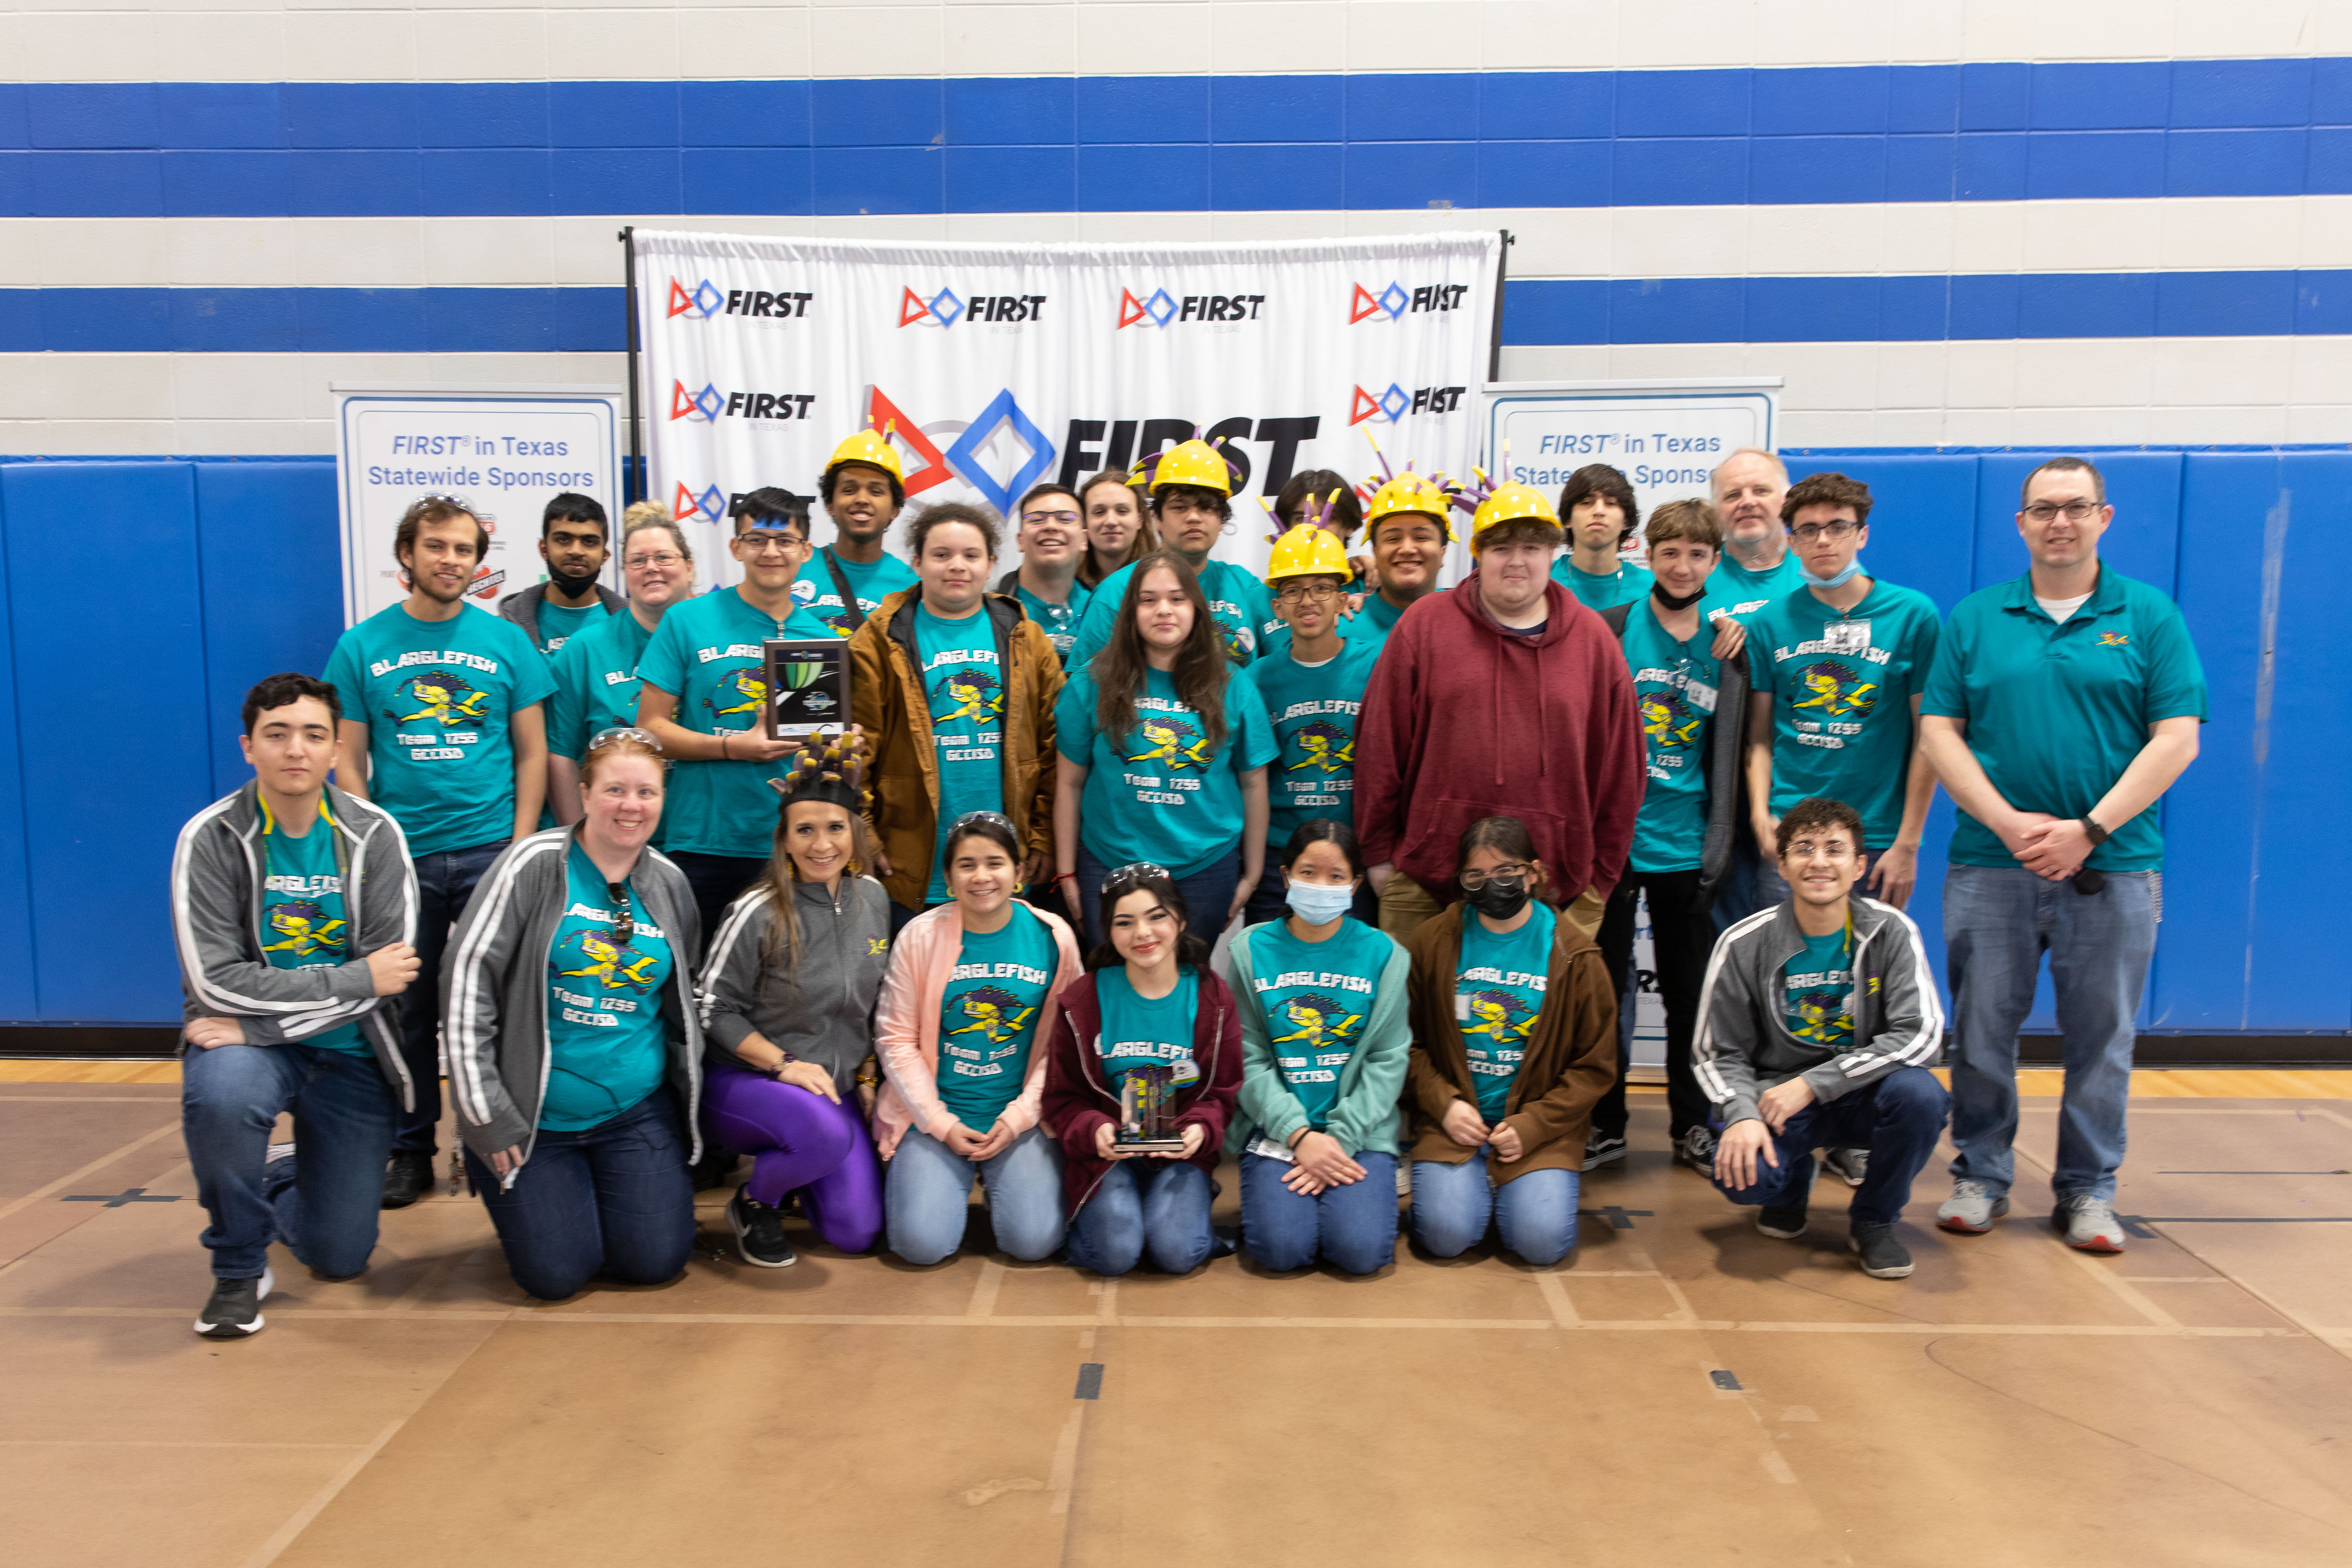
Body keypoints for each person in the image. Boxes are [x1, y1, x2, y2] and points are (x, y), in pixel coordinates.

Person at [1921, 456, 2205, 1254]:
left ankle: (2087, 1190)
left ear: (2103, 517)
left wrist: (2090, 827)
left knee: (2101, 1039)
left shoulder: (2147, 616)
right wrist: (2009, 822)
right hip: (1989, 863)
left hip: (2111, 868)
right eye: (2042, 509)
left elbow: (2176, 736)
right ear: (2020, 523)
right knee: (1978, 1032)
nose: (2059, 522)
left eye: (2075, 507)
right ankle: (1980, 1175)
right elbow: (1939, 730)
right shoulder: (1977, 617)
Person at [173, 673, 422, 1338]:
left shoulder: (377, 834)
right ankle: (237, 1266)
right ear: (247, 746)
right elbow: (215, 979)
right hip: (252, 1053)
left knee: (341, 1256)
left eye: (313, 735)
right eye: (276, 735)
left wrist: (263, 1015)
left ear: (336, 749)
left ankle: (281, 1176)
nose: (295, 750)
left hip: (347, 1054)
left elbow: (389, 976)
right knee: (222, 1094)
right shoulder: (210, 837)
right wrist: (352, 979)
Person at [324, 494, 554, 1208]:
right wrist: (375, 847)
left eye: (463, 549)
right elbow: (350, 760)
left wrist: (519, 846)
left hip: (491, 849)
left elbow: (532, 752)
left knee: (504, 1002)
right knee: (408, 1007)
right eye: (436, 547)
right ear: (407, 555)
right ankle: (412, 1145)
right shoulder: (360, 646)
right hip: (406, 858)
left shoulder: (507, 640)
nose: (450, 560)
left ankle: (505, 1134)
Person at [441, 730, 703, 1302]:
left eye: (645, 792)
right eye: (614, 789)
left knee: (656, 1261)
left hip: (632, 1113)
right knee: (555, 1277)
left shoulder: (669, 884)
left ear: (662, 799)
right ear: (584, 793)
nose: (629, 806)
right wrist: (485, 1113)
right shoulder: (531, 866)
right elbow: (467, 980)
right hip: (533, 1119)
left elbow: (681, 1003)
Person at [1356, 479, 1643, 944]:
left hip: (1557, 892)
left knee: (1541, 1020)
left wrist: (1600, 880)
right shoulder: (1423, 627)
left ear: (1552, 554)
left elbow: (1622, 773)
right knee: (1415, 1017)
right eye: (1501, 548)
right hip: (1426, 884)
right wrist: (1378, 857)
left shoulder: (1594, 643)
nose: (1515, 561)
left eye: (1531, 547)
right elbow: (1379, 749)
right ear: (1478, 556)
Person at [1694, 796, 1948, 1280]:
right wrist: (1743, 1116)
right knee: (1743, 1180)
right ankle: (1788, 1184)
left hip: (1861, 1093)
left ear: (1858, 867)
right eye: (1803, 849)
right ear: (1782, 865)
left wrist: (1814, 1084)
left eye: (1834, 850)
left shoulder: (1890, 931)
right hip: (1776, 1098)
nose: (1818, 862)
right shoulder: (1742, 942)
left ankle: (1874, 1219)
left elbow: (1920, 1035)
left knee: (1921, 1096)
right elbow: (1715, 1054)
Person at [1586, 499, 1751, 1175]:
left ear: (1715, 561)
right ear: (1644, 555)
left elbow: (1738, 744)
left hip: (1690, 847)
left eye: (1697, 554)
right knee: (1605, 992)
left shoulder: (1729, 643)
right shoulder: (1612, 630)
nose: (1682, 566)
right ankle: (1605, 1123)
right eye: (1669, 552)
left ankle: (1693, 1122)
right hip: (1619, 845)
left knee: (1690, 995)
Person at [696, 734, 894, 1267]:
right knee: (822, 1134)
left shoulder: (873, 901)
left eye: (834, 828)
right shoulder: (756, 910)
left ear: (854, 833)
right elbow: (711, 1007)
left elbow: (879, 1008)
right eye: (804, 830)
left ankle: (796, 1163)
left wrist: (871, 1077)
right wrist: (782, 1064)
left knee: (856, 1232)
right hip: (749, 1083)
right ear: (784, 838)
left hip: (835, 1090)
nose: (821, 844)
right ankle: (757, 1200)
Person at [1401, 816, 1615, 1266]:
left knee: (1540, 1244)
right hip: (1454, 1123)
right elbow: (1406, 1044)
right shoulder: (1429, 942)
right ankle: (1478, 1184)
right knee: (1445, 1238)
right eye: (1474, 877)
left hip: (1539, 1130)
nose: (1491, 886)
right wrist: (1444, 1104)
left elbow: (1594, 1067)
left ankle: (1507, 1184)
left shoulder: (1575, 955)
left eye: (1505, 873)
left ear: (1533, 873)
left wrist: (1533, 1125)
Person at [875, 812, 1085, 1266]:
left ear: (1018, 871)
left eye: (995, 862)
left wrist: (1017, 1118)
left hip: (1018, 1117)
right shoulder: (918, 936)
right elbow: (894, 1039)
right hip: (936, 1114)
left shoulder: (1054, 937)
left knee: (1033, 1243)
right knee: (920, 1246)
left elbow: (1065, 1046)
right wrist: (939, 1123)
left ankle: (1000, 1179)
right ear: (948, 877)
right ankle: (948, 1172)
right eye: (966, 865)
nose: (981, 876)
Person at [637, 488, 839, 938]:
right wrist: (734, 748)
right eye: (757, 539)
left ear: (805, 551)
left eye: (785, 540)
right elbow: (648, 730)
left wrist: (842, 745)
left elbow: (819, 747)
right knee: (693, 986)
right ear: (736, 547)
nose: (771, 551)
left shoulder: (818, 637)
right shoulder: (687, 620)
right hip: (702, 844)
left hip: (790, 846)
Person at [851, 501, 1064, 927]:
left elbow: (1054, 748)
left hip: (1005, 861)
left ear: (990, 565)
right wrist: (865, 835)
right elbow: (858, 749)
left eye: (971, 556)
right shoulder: (877, 639)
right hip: (909, 863)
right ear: (916, 562)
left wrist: (1042, 837)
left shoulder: (1026, 635)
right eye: (941, 555)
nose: (957, 567)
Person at [1053, 552, 1277, 948]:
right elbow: (1069, 784)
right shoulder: (1090, 682)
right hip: (1107, 862)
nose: (1163, 611)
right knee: (1110, 987)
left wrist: (1252, 876)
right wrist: (1068, 874)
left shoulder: (1234, 685)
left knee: (1191, 991)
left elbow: (1253, 785)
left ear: (1195, 608)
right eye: (1148, 599)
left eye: (1176, 599)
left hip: (1204, 869)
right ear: (1129, 611)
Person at [1745, 471, 1941, 913]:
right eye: (1808, 530)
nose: (1823, 541)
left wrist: (1908, 842)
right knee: (1786, 974)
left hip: (1876, 841)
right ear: (1791, 542)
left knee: (1872, 977)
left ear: (1862, 535)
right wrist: (1760, 817)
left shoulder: (1912, 616)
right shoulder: (1768, 623)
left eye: (1837, 527)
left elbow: (1930, 740)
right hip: (1790, 835)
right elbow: (1758, 738)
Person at [1224, 821, 1410, 1276]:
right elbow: (1246, 1057)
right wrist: (1299, 1136)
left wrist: (1338, 1140)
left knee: (1361, 1253)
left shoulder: (1385, 954)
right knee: (1281, 1250)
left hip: (1358, 1133)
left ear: (1355, 884)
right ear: (1286, 877)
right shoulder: (1249, 950)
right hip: (1277, 1131)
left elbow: (1388, 1061)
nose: (1320, 886)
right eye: (1308, 873)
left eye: (1335, 876)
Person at [1042, 863, 1244, 1276]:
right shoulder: (1082, 1000)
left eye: (1156, 917)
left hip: (1178, 1157)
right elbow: (1061, 1099)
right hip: (1107, 1156)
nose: (1143, 934)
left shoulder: (1212, 997)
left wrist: (1199, 1130)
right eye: (1124, 922)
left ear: (1180, 919)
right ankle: (1096, 1222)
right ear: (1107, 931)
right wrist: (1093, 1128)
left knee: (1175, 1252)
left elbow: (1222, 1092)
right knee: (1115, 1255)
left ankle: (1177, 1213)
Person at [1243, 521, 1381, 927]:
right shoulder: (1255, 679)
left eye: (1321, 587)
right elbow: (1251, 781)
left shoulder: (1375, 666)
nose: (1308, 601)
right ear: (1277, 607)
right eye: (1292, 590)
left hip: (1352, 855)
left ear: (1342, 599)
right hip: (1278, 860)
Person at [1708, 447, 1810, 928]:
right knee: (1724, 940)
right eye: (1732, 495)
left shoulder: (1819, 576)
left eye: (1760, 491)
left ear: (1785, 500)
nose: (1746, 502)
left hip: (1798, 788)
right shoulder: (1693, 582)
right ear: (1715, 510)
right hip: (1714, 796)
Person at [547, 504, 695, 830]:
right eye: (638, 561)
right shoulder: (585, 650)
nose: (651, 568)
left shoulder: (719, 645)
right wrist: (584, 841)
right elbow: (560, 756)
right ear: (624, 571)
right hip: (617, 839)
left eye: (664, 558)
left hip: (704, 839)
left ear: (690, 567)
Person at [1070, 439, 1277, 668]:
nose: (1194, 518)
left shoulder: (1246, 587)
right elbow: (1081, 689)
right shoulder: (1115, 592)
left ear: (1221, 521)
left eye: (1207, 508)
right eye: (1180, 507)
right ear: (1157, 518)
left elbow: (1287, 664)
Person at [806, 428, 920, 637]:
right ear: (830, 505)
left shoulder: (910, 586)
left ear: (895, 509)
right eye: (849, 490)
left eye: (876, 492)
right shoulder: (795, 569)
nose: (862, 499)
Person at [500, 492, 622, 654]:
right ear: (544, 550)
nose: (576, 551)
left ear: (604, 556)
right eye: (564, 540)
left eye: (589, 542)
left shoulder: (633, 624)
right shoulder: (507, 627)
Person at [1349, 468, 1457, 648]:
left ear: (1443, 551)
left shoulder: (1470, 622)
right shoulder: (1337, 634)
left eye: (1421, 537)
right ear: (1375, 552)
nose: (1407, 549)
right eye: (1393, 539)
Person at [995, 482, 1094, 665]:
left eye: (1066, 518)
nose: (1051, 526)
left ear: (1084, 539)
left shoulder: (1103, 606)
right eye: (1036, 519)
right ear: (1021, 540)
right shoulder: (987, 607)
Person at [1551, 463, 1654, 611]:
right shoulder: (1544, 581)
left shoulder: (1650, 587)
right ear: (1568, 518)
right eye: (1587, 503)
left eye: (1610, 503)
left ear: (1626, 521)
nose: (1599, 511)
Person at [1076, 469, 1157, 591]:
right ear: (1084, 521)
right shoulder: (1068, 586)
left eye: (1122, 511)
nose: (1111, 521)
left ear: (1140, 520)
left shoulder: (1163, 580)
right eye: (1099, 512)